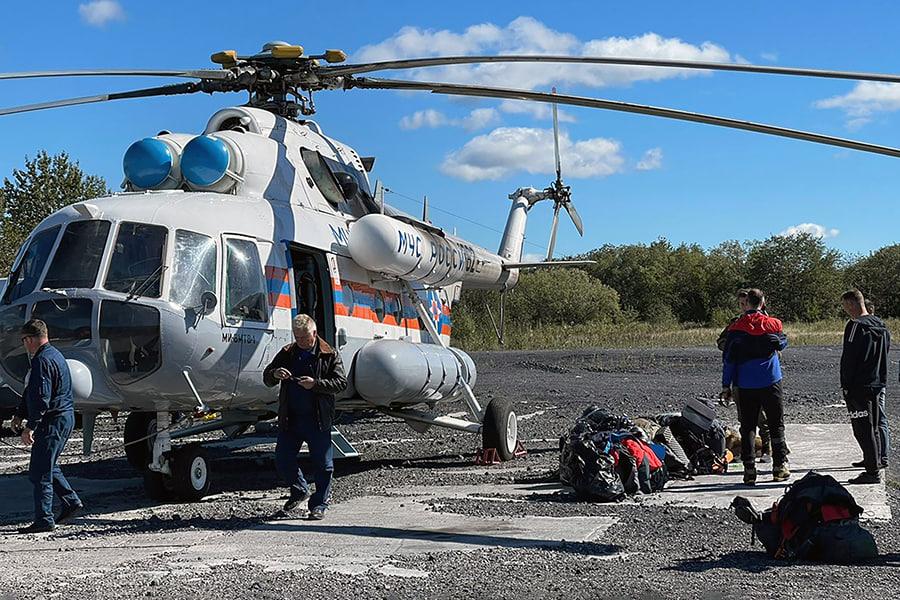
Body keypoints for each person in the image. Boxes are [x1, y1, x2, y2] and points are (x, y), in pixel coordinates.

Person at [264, 314, 347, 519]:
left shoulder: (329, 354)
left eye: (304, 338)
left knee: (323, 465)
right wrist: (275, 374)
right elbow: (267, 377)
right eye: (297, 337)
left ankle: (319, 504)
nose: (300, 342)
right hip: (290, 418)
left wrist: (316, 384)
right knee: (283, 459)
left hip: (317, 418)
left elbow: (341, 383)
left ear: (314, 333)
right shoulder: (288, 352)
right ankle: (299, 489)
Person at [14, 319, 83, 534]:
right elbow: (32, 392)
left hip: (52, 420)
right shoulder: (55, 356)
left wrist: (30, 426)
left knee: (39, 472)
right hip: (63, 417)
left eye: (25, 340)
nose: (25, 345)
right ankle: (71, 502)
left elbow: (42, 397)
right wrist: (20, 413)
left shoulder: (41, 361)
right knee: (49, 465)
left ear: (31, 339)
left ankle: (44, 519)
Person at [720, 289, 790, 485]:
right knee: (776, 424)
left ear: (747, 302)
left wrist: (726, 386)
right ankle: (779, 466)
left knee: (748, 427)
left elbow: (729, 360)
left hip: (745, 383)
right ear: (763, 302)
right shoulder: (774, 324)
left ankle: (749, 469)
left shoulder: (735, 328)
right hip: (770, 380)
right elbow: (781, 342)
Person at [717, 289, 776, 462]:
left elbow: (778, 345)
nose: (743, 307)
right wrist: (732, 346)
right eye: (740, 304)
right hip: (740, 376)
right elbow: (721, 342)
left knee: (763, 418)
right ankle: (748, 452)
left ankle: (768, 449)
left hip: (763, 376)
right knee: (745, 417)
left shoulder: (766, 322)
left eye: (745, 303)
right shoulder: (735, 324)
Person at [840, 290, 890, 484]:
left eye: (845, 306)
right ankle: (874, 461)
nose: (845, 310)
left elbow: (849, 359)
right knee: (874, 427)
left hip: (858, 386)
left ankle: (872, 472)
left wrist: (846, 385)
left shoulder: (855, 326)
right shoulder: (881, 325)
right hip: (876, 383)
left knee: (862, 428)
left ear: (852, 303)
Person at [855, 300, 890, 470]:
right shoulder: (882, 329)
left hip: (872, 381)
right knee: (874, 420)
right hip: (878, 379)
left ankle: (881, 456)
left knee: (878, 420)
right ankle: (873, 456)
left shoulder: (869, 328)